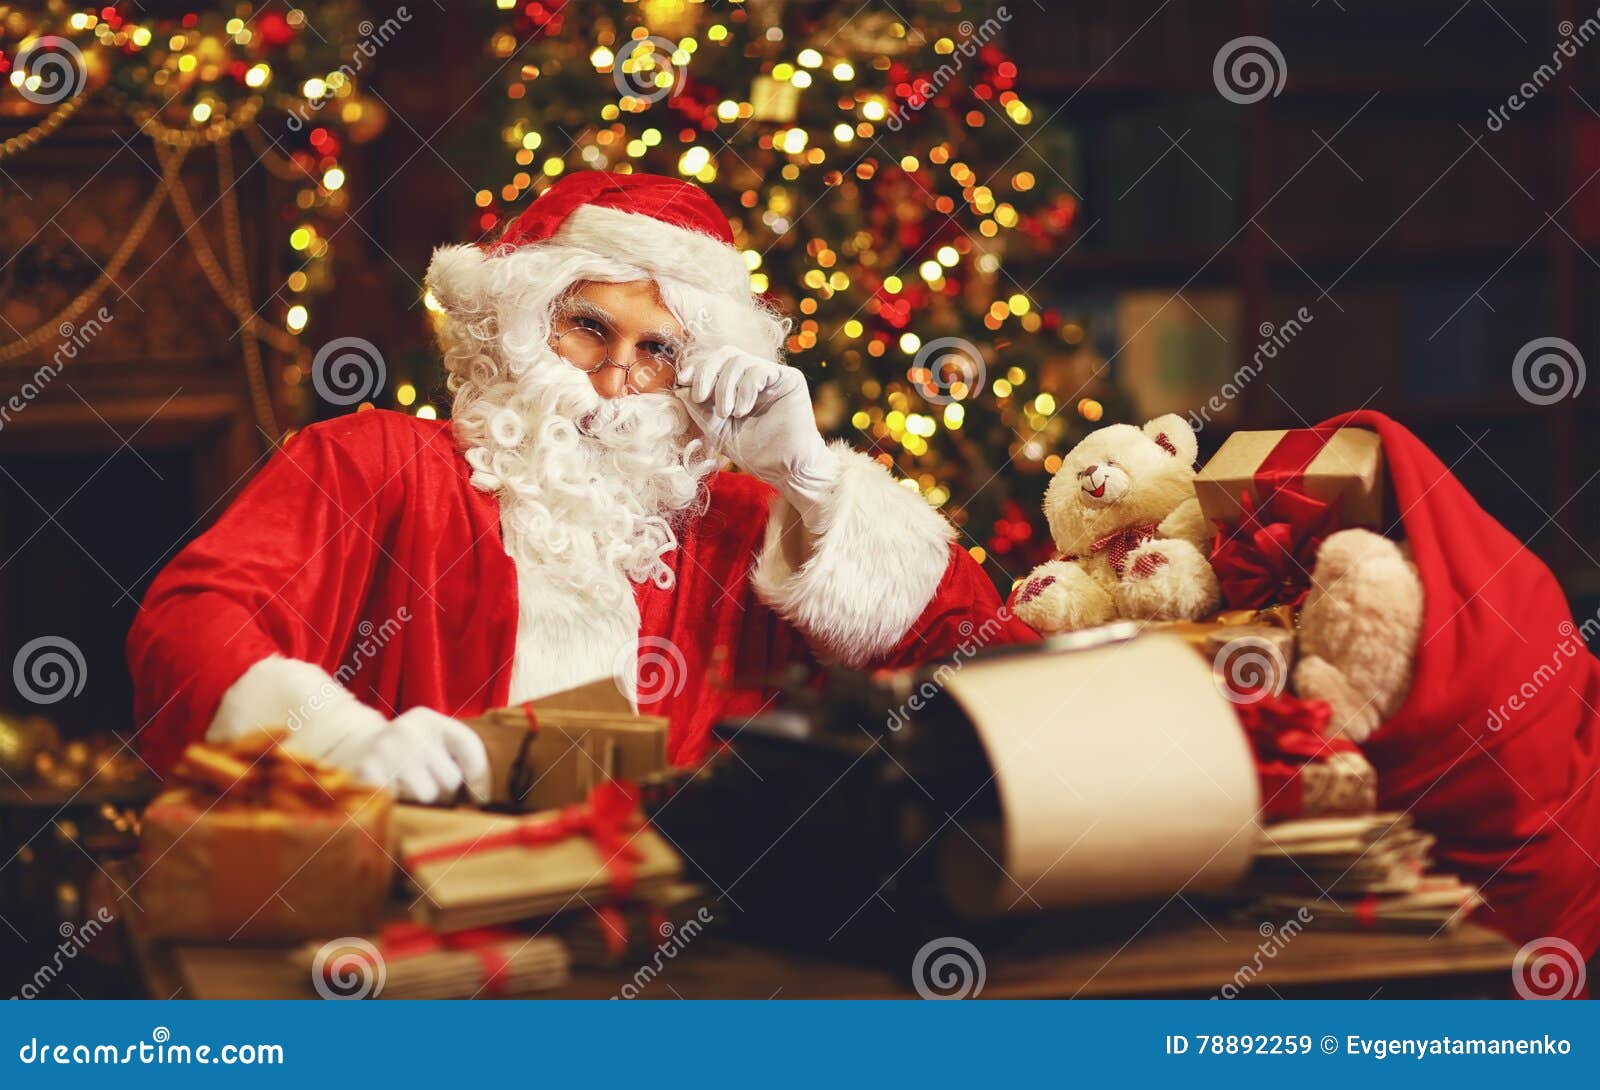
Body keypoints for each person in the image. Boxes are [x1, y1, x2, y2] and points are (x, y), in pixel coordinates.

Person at [128, 170, 1034, 802]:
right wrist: (343, 743)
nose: (614, 378)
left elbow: (989, 656)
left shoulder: (750, 529)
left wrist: (814, 483)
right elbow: (192, 622)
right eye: (587, 328)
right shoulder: (377, 463)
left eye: (659, 351)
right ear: (521, 324)